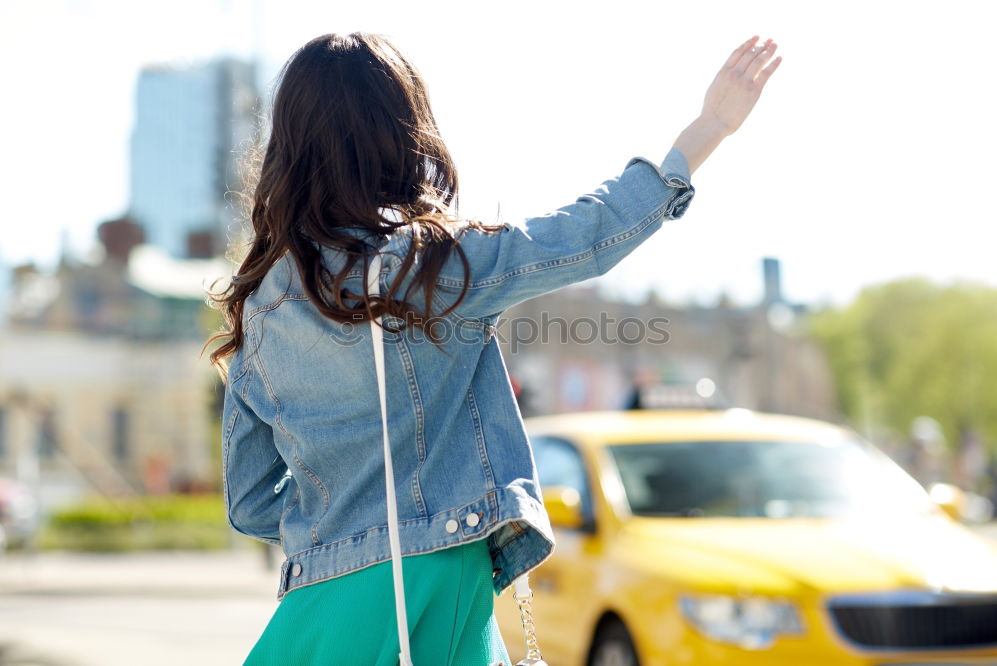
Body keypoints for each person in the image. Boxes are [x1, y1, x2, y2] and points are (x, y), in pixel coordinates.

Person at [207, 31, 781, 666]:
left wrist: (337, 524)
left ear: (288, 146)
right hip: (428, 586)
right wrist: (705, 131)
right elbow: (585, 235)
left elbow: (251, 501)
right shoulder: (430, 268)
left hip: (314, 609)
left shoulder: (258, 306)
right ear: (402, 131)